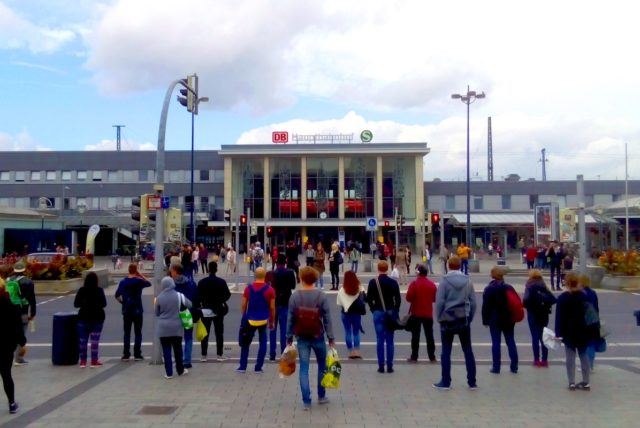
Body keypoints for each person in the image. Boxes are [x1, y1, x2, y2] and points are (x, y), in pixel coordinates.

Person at [286, 266, 335, 410]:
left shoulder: (294, 296)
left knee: (304, 368)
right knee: (322, 365)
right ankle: (321, 395)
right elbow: (327, 319)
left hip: (301, 336)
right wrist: (331, 337)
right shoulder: (321, 296)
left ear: (301, 278)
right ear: (315, 279)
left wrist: (289, 337)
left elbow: (290, 319)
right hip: (318, 334)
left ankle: (306, 400)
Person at [432, 256, 477, 390]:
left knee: (446, 351)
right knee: (468, 350)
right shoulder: (468, 280)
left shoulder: (444, 281)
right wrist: (470, 317)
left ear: (448, 266)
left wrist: (439, 317)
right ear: (459, 266)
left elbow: (439, 302)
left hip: (447, 319)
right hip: (463, 318)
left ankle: (446, 382)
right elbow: (473, 302)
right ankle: (472, 382)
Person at [555, 273, 596, 391]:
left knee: (570, 357)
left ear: (567, 283)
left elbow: (559, 318)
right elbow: (591, 316)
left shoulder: (562, 298)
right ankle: (586, 381)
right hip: (583, 330)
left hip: (569, 331)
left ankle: (571, 382)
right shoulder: (585, 297)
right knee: (584, 356)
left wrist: (559, 333)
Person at [237, 267, 275, 373]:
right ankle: (258, 367)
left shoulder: (248, 288)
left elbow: (244, 304)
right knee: (263, 342)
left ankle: (242, 366)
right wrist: (271, 321)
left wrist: (244, 315)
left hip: (250, 319)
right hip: (263, 319)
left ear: (255, 275)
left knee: (245, 341)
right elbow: (272, 308)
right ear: (265, 276)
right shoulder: (270, 290)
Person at [481, 267, 519, 374]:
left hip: (494, 319)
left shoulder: (489, 289)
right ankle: (514, 366)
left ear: (492, 275)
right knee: (510, 341)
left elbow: (486, 306)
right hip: (508, 318)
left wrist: (485, 320)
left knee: (496, 342)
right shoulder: (508, 287)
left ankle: (496, 367)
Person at [367, 261, 401, 373]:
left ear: (378, 268)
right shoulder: (393, 282)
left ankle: (381, 366)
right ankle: (390, 366)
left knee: (380, 339)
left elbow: (369, 299)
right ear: (387, 269)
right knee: (390, 340)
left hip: (378, 311)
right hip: (390, 312)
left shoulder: (373, 282)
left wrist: (373, 309)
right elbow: (398, 299)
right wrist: (395, 310)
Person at [155, 276, 191, 378]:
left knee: (166, 351)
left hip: (163, 329)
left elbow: (157, 313)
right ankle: (180, 370)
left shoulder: (159, 297)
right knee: (177, 350)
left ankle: (169, 373)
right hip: (176, 328)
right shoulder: (179, 296)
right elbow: (190, 305)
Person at [115, 263, 151, 361]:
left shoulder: (123, 282)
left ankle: (126, 354)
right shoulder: (139, 281)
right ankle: (137, 354)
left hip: (127, 309)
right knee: (138, 332)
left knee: (127, 333)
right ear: (136, 270)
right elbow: (149, 283)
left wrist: (122, 302)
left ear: (128, 270)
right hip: (138, 309)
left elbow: (117, 295)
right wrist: (140, 275)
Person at [0, 278, 26, 414]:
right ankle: (11, 403)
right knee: (6, 375)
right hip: (5, 346)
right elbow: (18, 328)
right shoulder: (12, 307)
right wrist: (22, 343)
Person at [197, 261, 231, 362]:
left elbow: (198, 296)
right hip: (218, 310)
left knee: (205, 333)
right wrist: (220, 300)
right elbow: (227, 295)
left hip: (205, 310)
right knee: (219, 333)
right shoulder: (221, 282)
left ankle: (204, 355)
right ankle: (219, 355)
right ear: (216, 269)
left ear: (208, 269)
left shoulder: (202, 282)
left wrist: (202, 303)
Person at [522, 269, 556, 367]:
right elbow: (553, 299)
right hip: (544, 314)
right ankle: (545, 360)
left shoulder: (529, 286)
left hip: (532, 313)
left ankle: (536, 360)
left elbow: (525, 301)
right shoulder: (543, 286)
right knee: (544, 337)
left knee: (535, 337)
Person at [74, 272, 107, 368]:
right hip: (97, 318)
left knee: (83, 341)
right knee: (94, 341)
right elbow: (104, 304)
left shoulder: (82, 290)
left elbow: (76, 304)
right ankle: (94, 361)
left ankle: (83, 361)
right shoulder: (99, 290)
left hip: (83, 318)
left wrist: (84, 303)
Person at [406, 264, 437, 363]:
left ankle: (414, 356)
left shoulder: (414, 284)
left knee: (415, 336)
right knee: (429, 336)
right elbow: (434, 299)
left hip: (416, 313)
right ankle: (432, 356)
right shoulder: (432, 284)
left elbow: (408, 298)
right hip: (428, 313)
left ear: (418, 273)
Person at [6, 261, 36, 366]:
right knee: (21, 334)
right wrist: (32, 313)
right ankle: (18, 359)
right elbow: (32, 299)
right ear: (24, 270)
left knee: (9, 335)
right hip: (22, 312)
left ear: (14, 269)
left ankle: (7, 357)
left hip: (8, 312)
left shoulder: (8, 280)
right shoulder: (28, 282)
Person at [170, 263, 199, 369]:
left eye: (172, 271)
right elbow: (196, 298)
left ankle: (178, 360)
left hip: (175, 313)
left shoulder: (171, 284)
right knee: (188, 337)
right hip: (187, 312)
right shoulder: (191, 283)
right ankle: (187, 360)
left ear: (176, 271)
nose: (171, 273)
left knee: (176, 338)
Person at [269, 254, 297, 361]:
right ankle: (283, 352)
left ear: (276, 263)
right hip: (286, 302)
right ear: (285, 262)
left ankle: (272, 354)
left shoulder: (272, 273)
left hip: (274, 303)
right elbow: (293, 286)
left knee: (273, 329)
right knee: (284, 329)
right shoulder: (290, 273)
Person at [337, 271, 366, 359]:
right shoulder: (360, 288)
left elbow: (339, 303)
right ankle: (357, 351)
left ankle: (351, 352)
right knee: (356, 332)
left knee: (348, 332)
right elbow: (365, 299)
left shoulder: (342, 290)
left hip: (345, 313)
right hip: (356, 313)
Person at [581, 276, 600, 372]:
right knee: (591, 343)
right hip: (593, 320)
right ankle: (591, 365)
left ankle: (585, 365)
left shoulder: (581, 294)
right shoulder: (593, 293)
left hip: (584, 321)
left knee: (584, 344)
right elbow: (596, 308)